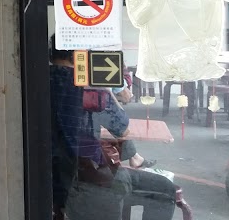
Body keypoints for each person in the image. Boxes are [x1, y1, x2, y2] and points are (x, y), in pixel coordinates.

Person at [50, 36, 176, 220]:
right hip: (90, 179)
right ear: (79, 56)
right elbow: (122, 128)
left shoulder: (34, 81)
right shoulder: (89, 89)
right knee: (165, 188)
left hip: (51, 179)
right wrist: (106, 89)